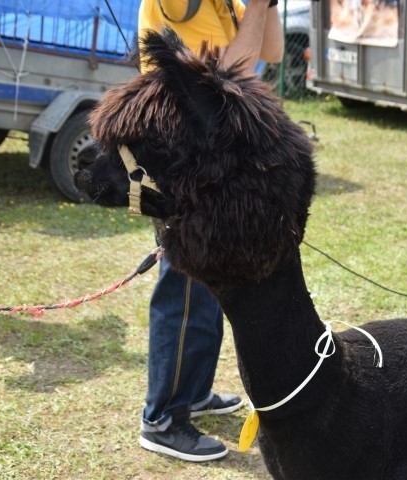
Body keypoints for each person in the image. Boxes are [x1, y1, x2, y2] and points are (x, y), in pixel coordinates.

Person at [136, 0, 283, 463]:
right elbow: (226, 74)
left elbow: (273, 51)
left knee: (208, 286)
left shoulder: (228, 3)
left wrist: (266, 7)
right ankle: (162, 419)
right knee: (182, 288)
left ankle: (193, 392)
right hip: (184, 152)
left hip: (212, 157)